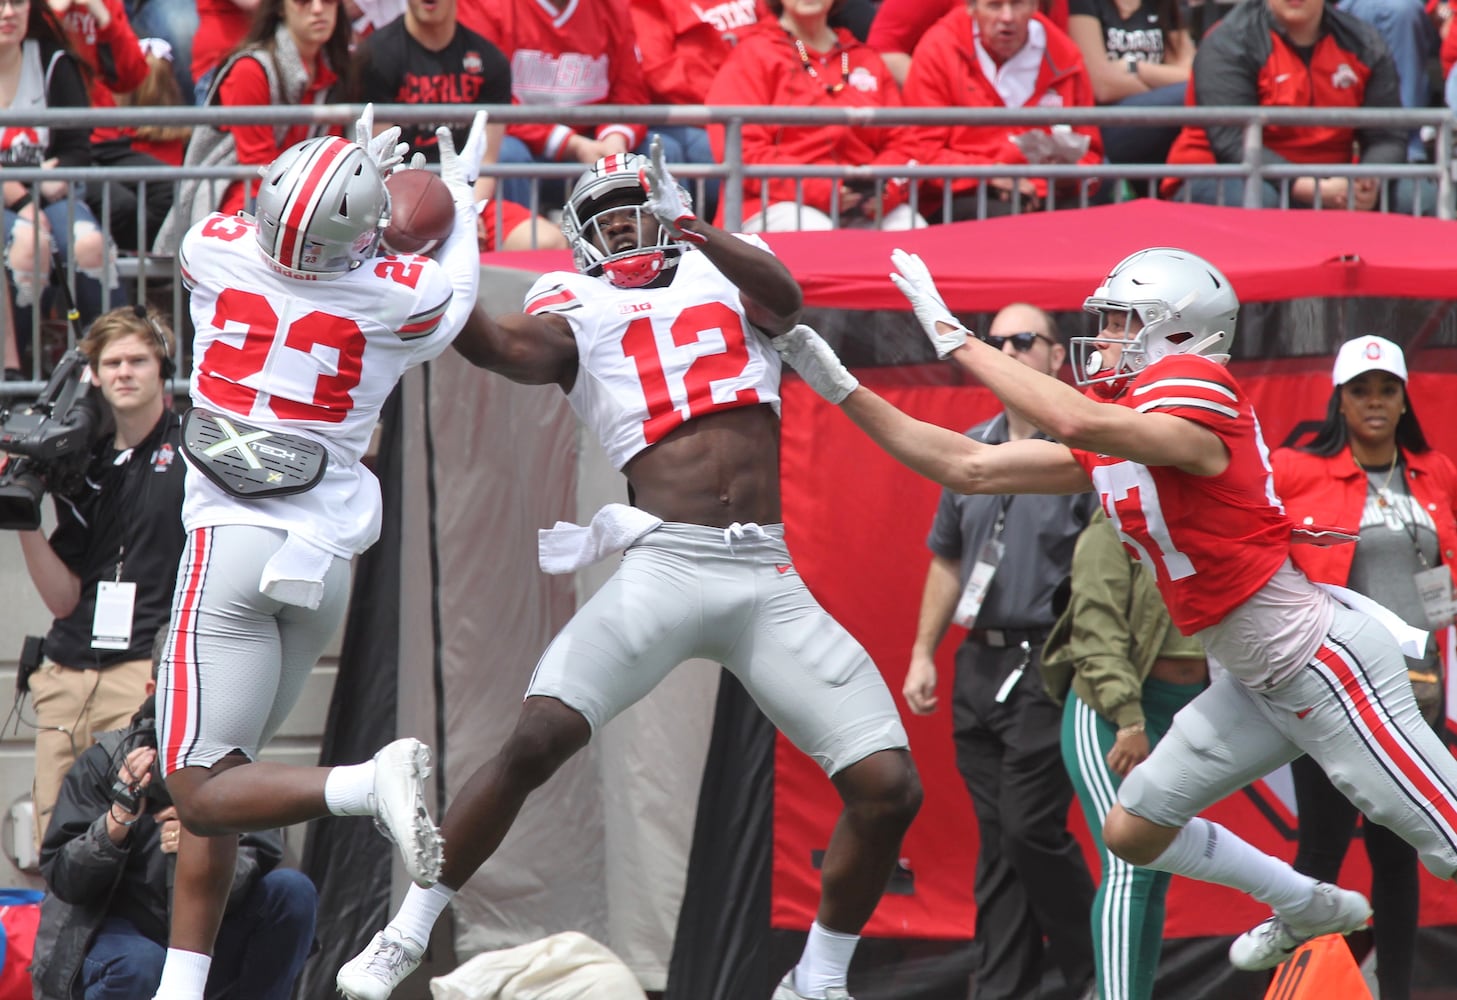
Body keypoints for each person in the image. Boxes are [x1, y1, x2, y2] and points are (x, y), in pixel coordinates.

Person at [335, 139, 922, 1000]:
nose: (626, 230)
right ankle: (409, 929)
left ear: (666, 212)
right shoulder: (577, 302)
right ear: (582, 241)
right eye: (606, 221)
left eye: (636, 212)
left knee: (888, 787)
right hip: (667, 566)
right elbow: (499, 348)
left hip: (764, 572)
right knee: (534, 741)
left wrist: (700, 225)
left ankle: (818, 977)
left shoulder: (724, 275)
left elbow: (787, 299)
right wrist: (446, 248)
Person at [773, 244, 1457, 975]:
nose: (1101, 340)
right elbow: (966, 468)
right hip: (1253, 678)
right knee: (1132, 829)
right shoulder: (1119, 419)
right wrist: (841, 388)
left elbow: (1081, 424)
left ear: (1180, 331)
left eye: (1120, 322)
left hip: (1323, 663)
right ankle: (1304, 903)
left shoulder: (1199, 387)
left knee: (1447, 849)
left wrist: (954, 337)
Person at [146, 118, 483, 1000]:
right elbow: (454, 287)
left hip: (229, 544)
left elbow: (280, 243)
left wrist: (358, 160)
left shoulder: (211, 248)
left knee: (199, 786)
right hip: (323, 561)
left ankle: (367, 783)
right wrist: (467, 207)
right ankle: (181, 988)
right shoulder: (396, 295)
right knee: (233, 779)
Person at [901, 303, 1096, 1000]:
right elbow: (946, 561)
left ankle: (1098, 972)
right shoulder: (972, 448)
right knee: (997, 841)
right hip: (976, 664)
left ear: (1052, 357)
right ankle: (1002, 988)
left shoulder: (1078, 452)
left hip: (1045, 661)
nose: (1009, 352)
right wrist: (923, 651)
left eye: (1024, 340)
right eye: (998, 341)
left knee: (1027, 828)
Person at [1270, 334, 1457, 1000]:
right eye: (1360, 390)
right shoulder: (1295, 470)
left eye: (1386, 390)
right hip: (1330, 696)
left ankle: (1396, 993)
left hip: (1418, 696)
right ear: (1339, 400)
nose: (1374, 402)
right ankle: (1297, 989)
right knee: (1318, 851)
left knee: (1394, 854)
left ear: (1404, 399)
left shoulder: (1434, 471)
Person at [14, 306, 187, 855]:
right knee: (54, 843)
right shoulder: (80, 461)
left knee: (131, 840)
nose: (125, 372)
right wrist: (22, 517)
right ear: (95, 374)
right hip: (67, 673)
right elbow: (64, 600)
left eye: (138, 359)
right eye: (111, 362)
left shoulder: (192, 449)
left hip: (140, 672)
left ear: (163, 367)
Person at [31, 681, 317, 999]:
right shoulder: (105, 761)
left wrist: (208, 846)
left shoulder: (238, 766)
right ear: (154, 687)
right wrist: (116, 823)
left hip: (208, 937)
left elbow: (250, 881)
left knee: (293, 890)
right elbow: (66, 880)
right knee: (141, 963)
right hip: (117, 936)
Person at [1040, 508, 1208, 1000]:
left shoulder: (1211, 519)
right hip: (1113, 714)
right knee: (1129, 865)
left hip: (1185, 713)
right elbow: (1096, 629)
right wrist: (1128, 716)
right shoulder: (1111, 528)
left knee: (1156, 870)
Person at [350, 0, 565, 252]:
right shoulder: (375, 55)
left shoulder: (489, 59)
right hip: (397, 201)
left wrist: (468, 212)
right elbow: (382, 159)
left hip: (466, 197)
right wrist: (418, 212)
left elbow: (486, 161)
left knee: (549, 241)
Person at [704, 0, 928, 232]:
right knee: (818, 232)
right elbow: (740, 148)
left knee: (912, 228)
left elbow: (904, 142)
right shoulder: (753, 54)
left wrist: (883, 190)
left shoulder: (864, 58)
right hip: (772, 204)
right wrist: (822, 189)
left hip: (862, 206)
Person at [1163, 0, 1406, 211]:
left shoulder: (1364, 42)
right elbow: (1232, 142)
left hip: (1334, 184)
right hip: (1223, 175)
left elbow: (1387, 136)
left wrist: (1368, 181)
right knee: (1260, 199)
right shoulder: (1228, 41)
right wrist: (1305, 185)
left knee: (1415, 196)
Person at [153, 0, 350, 254]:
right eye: (303, 1)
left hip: (300, 204)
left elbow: (330, 159)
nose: (317, 9)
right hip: (242, 206)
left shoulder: (334, 69)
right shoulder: (250, 68)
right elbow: (258, 167)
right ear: (280, 8)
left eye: (328, 1)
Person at [0, 0, 123, 371]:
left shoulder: (53, 61)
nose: (8, 13)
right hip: (21, 201)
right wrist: (24, 193)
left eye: (17, 2)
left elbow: (75, 151)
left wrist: (43, 179)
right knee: (28, 245)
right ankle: (17, 384)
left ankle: (110, 365)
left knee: (90, 244)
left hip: (50, 194)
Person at [901, 0, 1103, 220]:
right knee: (1008, 222)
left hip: (1048, 193)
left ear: (1035, 5)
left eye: (1017, 4)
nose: (1007, 17)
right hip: (961, 195)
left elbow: (1090, 152)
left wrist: (1064, 176)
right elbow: (920, 149)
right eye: (994, 5)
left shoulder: (1064, 55)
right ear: (971, 7)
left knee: (1085, 219)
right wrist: (992, 174)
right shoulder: (939, 49)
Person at [456, 0, 652, 212]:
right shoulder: (488, 7)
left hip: (594, 144)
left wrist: (615, 138)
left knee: (658, 150)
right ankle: (516, 242)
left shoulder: (613, 8)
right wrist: (569, 143)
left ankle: (660, 243)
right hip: (526, 146)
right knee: (506, 153)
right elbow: (484, 95)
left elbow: (630, 92)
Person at [49, 0, 176, 256]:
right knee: (120, 205)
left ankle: (139, 281)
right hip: (57, 142)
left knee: (171, 189)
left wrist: (103, 17)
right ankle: (109, 282)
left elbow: (131, 76)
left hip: (104, 136)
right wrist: (57, 13)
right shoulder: (25, 8)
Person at [1065, 0, 1192, 170]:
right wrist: (1160, 88)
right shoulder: (1084, 4)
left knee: (1191, 94)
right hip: (1104, 124)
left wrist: (1133, 67)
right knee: (1186, 95)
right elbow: (1101, 86)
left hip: (1155, 120)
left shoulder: (1163, 4)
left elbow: (1190, 74)